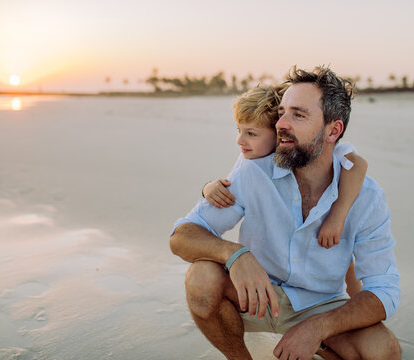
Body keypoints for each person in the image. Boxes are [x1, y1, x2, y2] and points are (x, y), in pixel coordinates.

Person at [170, 66, 400, 360]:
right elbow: (182, 235)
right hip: (254, 296)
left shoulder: (366, 196)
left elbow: (384, 290)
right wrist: (235, 254)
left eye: (298, 114)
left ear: (333, 130)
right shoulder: (253, 170)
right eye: (281, 113)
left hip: (320, 305)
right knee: (201, 277)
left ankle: (318, 343)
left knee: (383, 350)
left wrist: (319, 326)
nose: (281, 123)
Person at [202, 83, 366, 296]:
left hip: (319, 227)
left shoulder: (312, 148)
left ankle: (355, 298)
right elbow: (231, 183)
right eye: (239, 131)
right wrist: (208, 187)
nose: (240, 140)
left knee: (342, 256)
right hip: (273, 262)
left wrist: (338, 216)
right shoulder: (249, 162)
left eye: (251, 133)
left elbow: (358, 165)